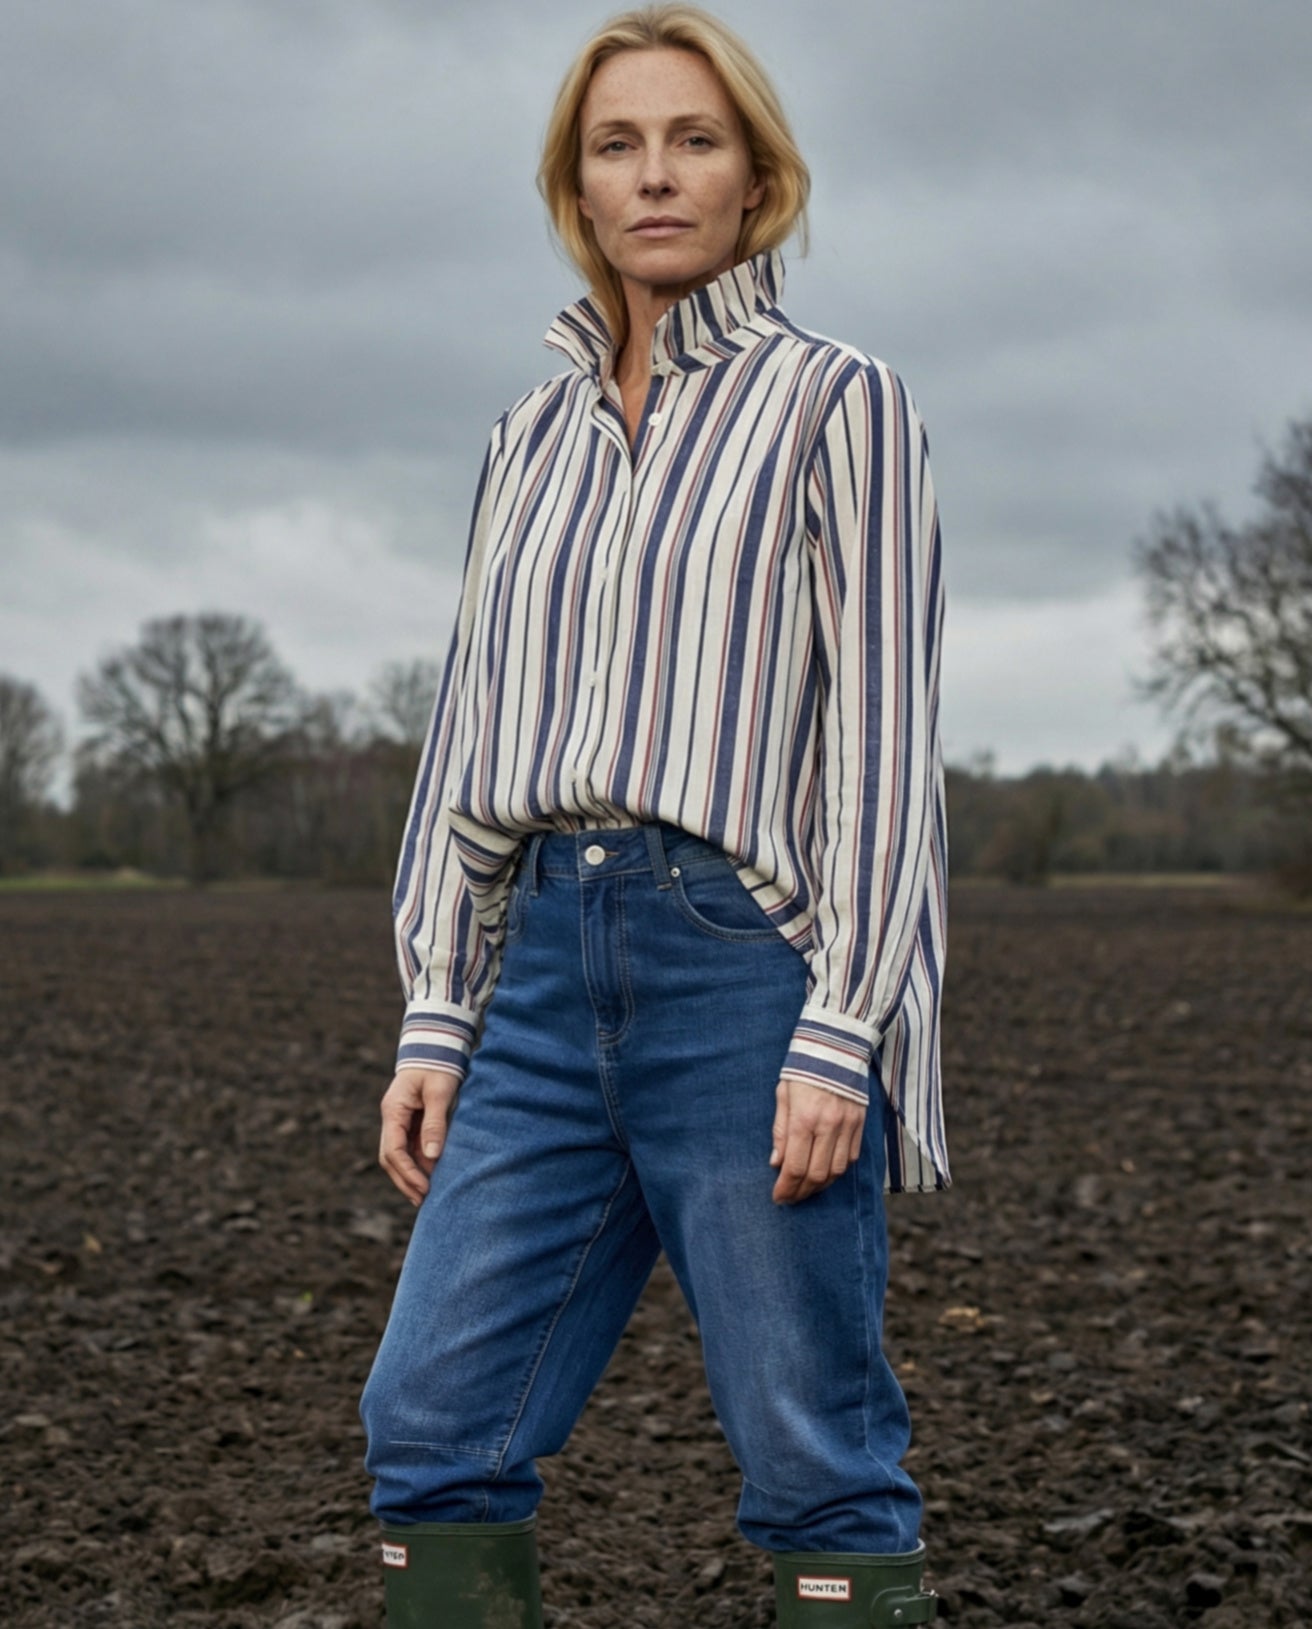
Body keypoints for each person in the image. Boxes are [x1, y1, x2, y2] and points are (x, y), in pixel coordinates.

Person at [360, 6, 949, 1625]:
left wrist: (844, 1028)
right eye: (617, 145)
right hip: (543, 968)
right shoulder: (525, 439)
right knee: (431, 1420)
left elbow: (887, 744)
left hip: (741, 965)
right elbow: (471, 729)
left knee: (812, 1445)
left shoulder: (839, 403)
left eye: (695, 139)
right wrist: (439, 1009)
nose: (657, 174)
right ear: (578, 187)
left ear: (758, 177)